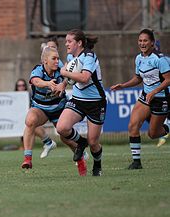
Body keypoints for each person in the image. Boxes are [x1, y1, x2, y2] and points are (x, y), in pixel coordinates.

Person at [110, 29, 170, 169]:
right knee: (132, 125)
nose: (142, 43)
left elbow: (168, 80)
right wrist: (123, 86)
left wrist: (155, 91)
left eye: (145, 41)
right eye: (140, 40)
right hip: (146, 96)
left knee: (153, 134)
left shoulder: (159, 59)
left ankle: (167, 127)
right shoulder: (138, 58)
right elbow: (138, 78)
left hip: (161, 98)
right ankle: (136, 162)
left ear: (152, 43)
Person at [21, 46, 81, 173]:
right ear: (45, 61)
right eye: (53, 58)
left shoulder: (61, 69)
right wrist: (48, 83)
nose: (56, 61)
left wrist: (65, 82)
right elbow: (35, 82)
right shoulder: (38, 70)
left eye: (58, 58)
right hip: (41, 108)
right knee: (30, 121)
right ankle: (27, 159)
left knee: (65, 138)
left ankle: (79, 155)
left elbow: (70, 78)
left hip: (59, 107)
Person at [56, 29, 106, 177]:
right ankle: (81, 142)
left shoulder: (89, 56)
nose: (66, 44)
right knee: (62, 128)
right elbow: (70, 74)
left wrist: (64, 73)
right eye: (66, 41)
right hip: (78, 99)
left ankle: (97, 165)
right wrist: (63, 84)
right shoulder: (71, 55)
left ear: (79, 43)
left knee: (93, 142)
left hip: (96, 102)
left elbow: (84, 78)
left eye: (69, 41)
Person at [15, 78, 56, 158]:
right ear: (16, 87)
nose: (21, 87)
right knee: (30, 126)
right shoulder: (14, 97)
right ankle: (47, 143)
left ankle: (47, 143)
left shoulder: (30, 94)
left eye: (23, 85)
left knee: (32, 124)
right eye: (19, 86)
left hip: (36, 114)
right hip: (21, 118)